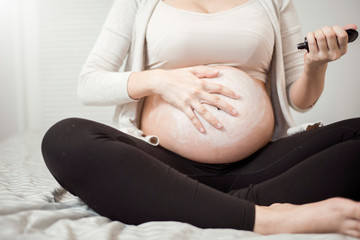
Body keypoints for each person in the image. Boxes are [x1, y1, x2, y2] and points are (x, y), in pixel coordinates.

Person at [41, 0, 360, 237]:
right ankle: (266, 218)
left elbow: (298, 99)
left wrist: (316, 65)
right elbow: (89, 83)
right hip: (162, 164)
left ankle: (197, 202)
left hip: (259, 167)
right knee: (64, 138)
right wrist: (160, 81)